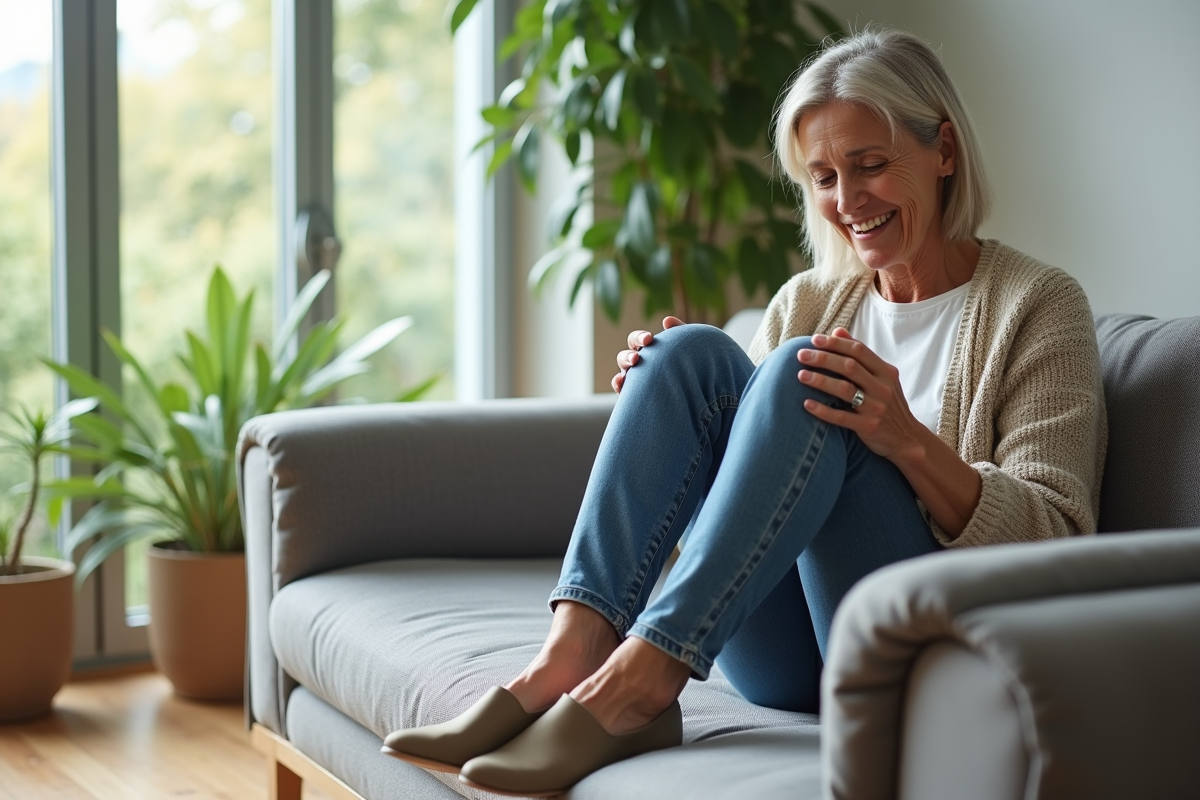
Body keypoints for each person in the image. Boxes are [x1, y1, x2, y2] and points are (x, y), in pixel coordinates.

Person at [383, 27, 1107, 797]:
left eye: (871, 166)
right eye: (824, 176)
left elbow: (1057, 531)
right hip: (781, 655)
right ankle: (565, 660)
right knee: (688, 352)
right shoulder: (810, 300)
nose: (847, 202)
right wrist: (666, 401)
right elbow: (754, 488)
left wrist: (904, 439)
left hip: (922, 650)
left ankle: (638, 685)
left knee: (805, 372)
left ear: (945, 152)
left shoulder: (1039, 304)